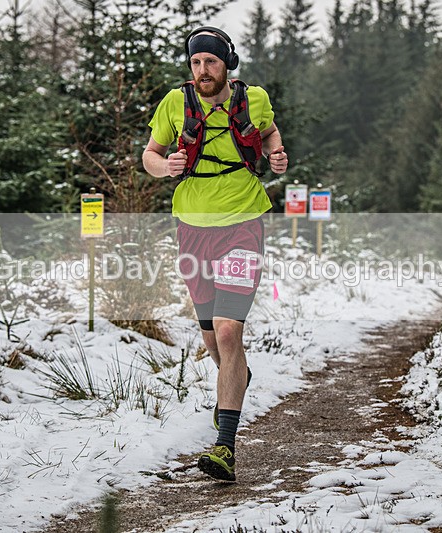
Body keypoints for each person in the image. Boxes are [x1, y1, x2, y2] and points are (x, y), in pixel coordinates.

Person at [142, 26, 288, 482]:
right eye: (195, 64)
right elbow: (150, 153)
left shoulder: (253, 98)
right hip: (192, 229)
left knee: (228, 333)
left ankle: (224, 445)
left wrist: (276, 152)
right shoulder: (175, 103)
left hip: (242, 225)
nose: (203, 71)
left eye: (210, 62)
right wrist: (165, 167)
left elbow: (269, 133)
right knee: (210, 338)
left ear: (227, 63)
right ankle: (236, 378)